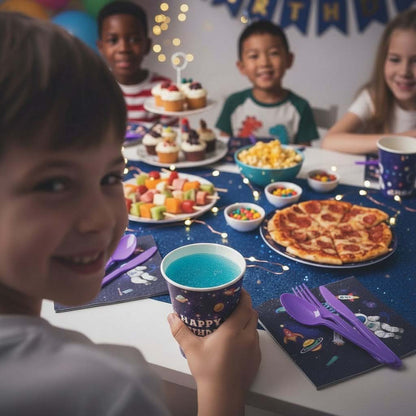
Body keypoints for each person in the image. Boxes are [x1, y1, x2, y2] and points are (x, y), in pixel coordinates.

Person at [0, 12, 261, 416]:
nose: (101, 219)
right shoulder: (108, 390)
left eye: (109, 176)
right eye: (54, 184)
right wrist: (221, 387)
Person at [322, 8, 416, 155]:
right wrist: (406, 139)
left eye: (415, 61)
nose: (404, 72)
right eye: (395, 59)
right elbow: (330, 141)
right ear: (383, 60)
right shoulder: (374, 97)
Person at [215, 20, 318, 145]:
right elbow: (223, 147)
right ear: (241, 67)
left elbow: (305, 154)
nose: (264, 63)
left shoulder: (300, 107)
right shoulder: (233, 103)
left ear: (289, 60)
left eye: (273, 53)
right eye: (254, 56)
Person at [97, 1, 173, 124]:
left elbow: (171, 136)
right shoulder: (95, 87)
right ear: (101, 47)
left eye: (134, 39)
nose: (124, 49)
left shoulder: (164, 89)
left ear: (147, 45)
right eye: (113, 40)